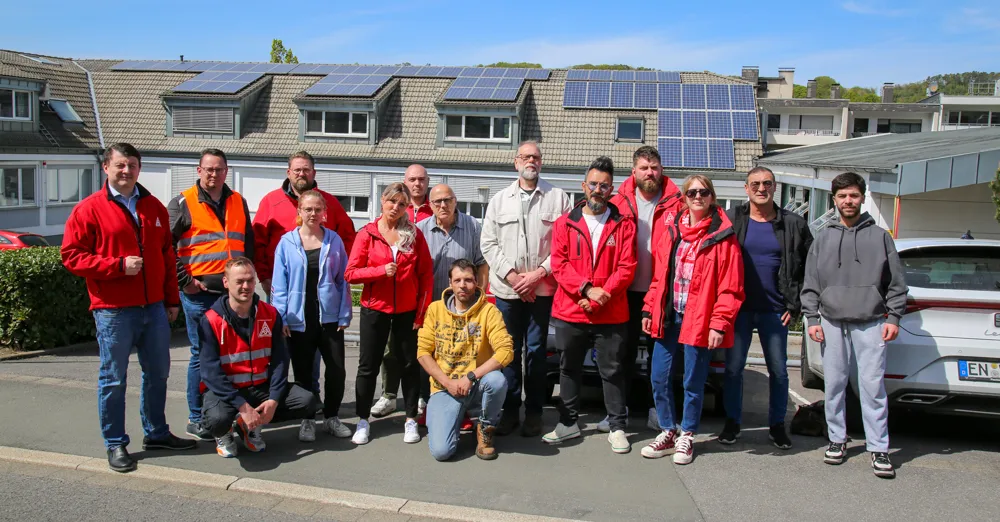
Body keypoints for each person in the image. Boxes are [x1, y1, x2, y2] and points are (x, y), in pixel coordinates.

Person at [61, 143, 196, 473]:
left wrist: (171, 299)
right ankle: (115, 443)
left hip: (154, 308)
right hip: (114, 310)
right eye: (120, 165)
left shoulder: (153, 206)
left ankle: (157, 432)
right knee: (113, 379)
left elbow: (166, 256)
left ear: (139, 168)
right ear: (106, 167)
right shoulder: (89, 209)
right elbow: (72, 256)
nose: (126, 171)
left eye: (132, 165)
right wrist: (118, 266)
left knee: (158, 374)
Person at [801, 172, 907, 479]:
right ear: (834, 200)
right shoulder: (823, 237)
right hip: (831, 321)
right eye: (842, 196)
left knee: (872, 387)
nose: (848, 201)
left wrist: (894, 317)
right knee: (834, 385)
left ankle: (879, 447)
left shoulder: (881, 237)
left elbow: (897, 283)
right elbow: (811, 283)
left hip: (871, 322)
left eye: (854, 195)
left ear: (862, 197)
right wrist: (811, 318)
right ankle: (837, 439)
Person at [641, 175, 744, 465]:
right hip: (669, 314)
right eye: (692, 192)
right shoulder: (672, 230)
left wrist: (719, 323)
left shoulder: (723, 235)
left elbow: (731, 287)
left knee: (693, 382)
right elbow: (659, 276)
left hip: (699, 318)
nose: (698, 197)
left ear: (712, 197)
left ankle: (687, 433)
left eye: (704, 192)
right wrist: (649, 309)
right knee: (659, 376)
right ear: (684, 197)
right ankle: (667, 430)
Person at [544, 157, 637, 454]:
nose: (598, 190)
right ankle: (568, 423)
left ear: (612, 189)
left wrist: (602, 295)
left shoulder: (624, 225)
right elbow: (560, 264)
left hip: (611, 312)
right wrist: (586, 289)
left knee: (613, 371)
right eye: (594, 184)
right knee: (568, 368)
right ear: (584, 186)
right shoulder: (564, 223)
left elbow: (626, 267)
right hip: (571, 309)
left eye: (604, 185)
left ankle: (617, 426)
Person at [481, 141, 572, 437]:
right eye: (525, 156)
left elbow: (565, 245)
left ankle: (534, 412)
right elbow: (488, 244)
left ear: (541, 162)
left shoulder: (558, 198)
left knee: (535, 351)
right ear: (516, 162)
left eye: (535, 157)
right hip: (507, 292)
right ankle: (509, 411)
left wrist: (537, 275)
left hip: (541, 291)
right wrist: (513, 277)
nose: (530, 161)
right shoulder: (499, 201)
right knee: (507, 351)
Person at [721, 166, 812, 449]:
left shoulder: (794, 224)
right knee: (733, 369)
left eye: (767, 183)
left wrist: (795, 305)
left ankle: (777, 425)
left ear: (775, 187)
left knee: (779, 371)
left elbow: (809, 267)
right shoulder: (731, 219)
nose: (761, 189)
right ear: (746, 189)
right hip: (738, 309)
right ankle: (732, 423)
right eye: (755, 184)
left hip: (775, 310)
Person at [253, 150, 356, 396]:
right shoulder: (270, 202)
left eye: (306, 169)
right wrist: (265, 277)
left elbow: (348, 239)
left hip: (323, 298)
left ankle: (314, 401)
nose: (301, 173)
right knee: (284, 351)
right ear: (288, 173)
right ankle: (289, 400)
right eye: (297, 169)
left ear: (314, 173)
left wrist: (339, 274)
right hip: (282, 289)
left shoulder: (329, 203)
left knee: (319, 354)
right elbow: (257, 242)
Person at [168, 148, 254, 441]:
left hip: (233, 295)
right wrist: (185, 282)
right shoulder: (183, 202)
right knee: (201, 355)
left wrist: (247, 281)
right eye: (209, 169)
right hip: (200, 294)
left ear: (226, 171)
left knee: (233, 355)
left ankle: (229, 414)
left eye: (219, 169)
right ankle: (197, 417)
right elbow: (164, 246)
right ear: (199, 171)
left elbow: (248, 243)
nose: (214, 174)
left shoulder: (238, 201)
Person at [199, 257, 320, 457]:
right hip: (227, 391)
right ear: (226, 282)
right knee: (216, 420)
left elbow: (280, 361)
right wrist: (242, 406)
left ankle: (249, 426)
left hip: (260, 387)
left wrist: (273, 400)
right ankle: (224, 431)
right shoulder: (211, 320)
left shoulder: (270, 314)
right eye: (239, 281)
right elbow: (210, 373)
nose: (246, 286)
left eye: (250, 280)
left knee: (307, 401)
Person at [346, 182, 434, 445]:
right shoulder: (367, 234)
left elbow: (425, 275)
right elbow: (351, 273)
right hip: (375, 309)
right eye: (391, 201)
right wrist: (380, 271)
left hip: (407, 311)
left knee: (409, 365)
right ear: (382, 201)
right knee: (368, 366)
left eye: (402, 203)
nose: (396, 207)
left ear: (407, 207)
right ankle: (363, 420)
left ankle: (410, 419)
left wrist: (421, 313)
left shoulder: (414, 234)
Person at [608, 145, 684, 434]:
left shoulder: (678, 202)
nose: (649, 173)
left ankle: (657, 412)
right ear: (634, 171)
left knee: (660, 357)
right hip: (624, 290)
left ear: (661, 169)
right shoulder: (617, 201)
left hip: (663, 292)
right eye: (644, 168)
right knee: (621, 353)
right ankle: (620, 412)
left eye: (654, 167)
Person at [271, 190, 353, 441]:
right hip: (298, 318)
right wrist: (281, 317)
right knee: (304, 372)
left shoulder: (334, 240)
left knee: (336, 370)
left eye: (318, 209)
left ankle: (331, 417)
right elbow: (279, 284)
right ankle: (307, 419)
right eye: (308, 209)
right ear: (299, 211)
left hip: (329, 318)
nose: (313, 214)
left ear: (324, 212)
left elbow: (343, 280)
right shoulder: (286, 243)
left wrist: (344, 313)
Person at [418, 259, 513, 461]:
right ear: (450, 283)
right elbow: (423, 352)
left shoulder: (489, 312)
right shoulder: (435, 310)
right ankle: (456, 415)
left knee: (496, 381)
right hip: (445, 387)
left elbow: (505, 351)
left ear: (476, 282)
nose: (463, 285)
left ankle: (485, 429)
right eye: (458, 280)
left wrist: (471, 376)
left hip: (476, 384)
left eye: (468, 280)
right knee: (442, 452)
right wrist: (448, 383)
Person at [414, 183, 488, 426]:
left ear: (456, 201)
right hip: (431, 307)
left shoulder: (472, 226)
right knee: (431, 354)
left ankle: (462, 407)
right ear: (430, 205)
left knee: (461, 355)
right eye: (437, 202)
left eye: (448, 200)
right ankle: (429, 404)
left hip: (464, 305)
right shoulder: (420, 230)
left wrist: (479, 298)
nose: (443, 205)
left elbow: (481, 263)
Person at [372, 164, 434, 419]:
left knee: (419, 349)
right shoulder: (395, 208)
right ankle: (388, 395)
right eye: (412, 179)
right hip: (391, 297)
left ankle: (418, 395)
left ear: (427, 182)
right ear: (405, 182)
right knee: (390, 350)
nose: (417, 183)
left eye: (421, 179)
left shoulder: (436, 205)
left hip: (423, 292)